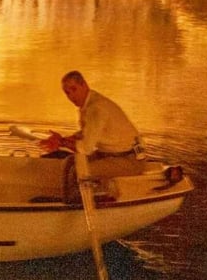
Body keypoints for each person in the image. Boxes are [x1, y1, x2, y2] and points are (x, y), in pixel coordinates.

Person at [39, 70, 146, 202]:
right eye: (67, 93)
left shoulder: (96, 108)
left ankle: (74, 204)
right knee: (69, 161)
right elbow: (85, 134)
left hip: (129, 161)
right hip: (110, 154)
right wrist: (63, 139)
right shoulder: (89, 103)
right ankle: (72, 198)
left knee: (78, 170)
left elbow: (85, 148)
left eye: (74, 89)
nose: (71, 96)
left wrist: (60, 142)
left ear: (84, 85)